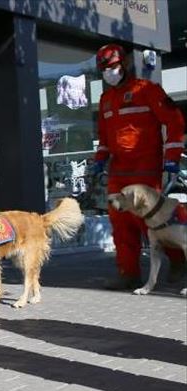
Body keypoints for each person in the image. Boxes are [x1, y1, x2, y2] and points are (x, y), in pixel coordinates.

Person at [93, 43, 185, 290]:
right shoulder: (106, 100)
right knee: (121, 223)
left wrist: (172, 157)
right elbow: (104, 137)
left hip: (145, 168)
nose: (108, 72)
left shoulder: (147, 90)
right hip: (118, 171)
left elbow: (175, 121)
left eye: (112, 66)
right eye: (104, 69)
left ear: (124, 64)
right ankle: (128, 273)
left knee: (152, 220)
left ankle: (178, 259)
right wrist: (99, 159)